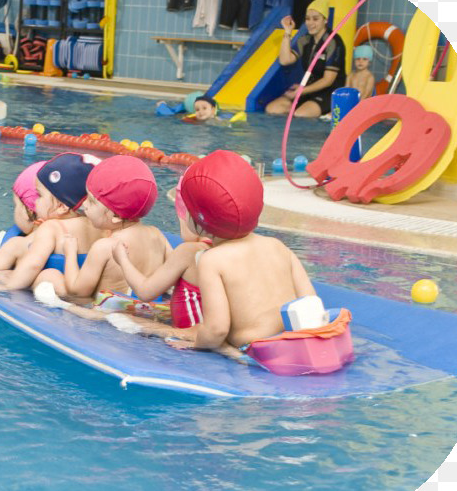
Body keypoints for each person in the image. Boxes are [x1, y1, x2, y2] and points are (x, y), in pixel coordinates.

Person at [163, 150, 317, 361]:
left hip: (257, 351)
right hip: (300, 343)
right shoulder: (278, 246)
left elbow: (217, 330)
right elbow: (311, 303)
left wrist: (196, 344)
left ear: (199, 220)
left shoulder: (212, 260)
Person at [37, 155, 170, 299]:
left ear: (116, 217)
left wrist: (70, 253)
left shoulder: (105, 247)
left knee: (49, 276)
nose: (85, 205)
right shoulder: (157, 235)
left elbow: (78, 291)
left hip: (104, 315)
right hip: (146, 310)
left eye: (92, 201)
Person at [111, 170, 211, 329]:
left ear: (190, 219)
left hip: (187, 336)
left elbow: (145, 292)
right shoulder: (223, 249)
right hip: (203, 328)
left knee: (114, 317)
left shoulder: (189, 251)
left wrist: (123, 260)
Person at [0, 152, 103, 291]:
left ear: (62, 207)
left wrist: (7, 287)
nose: (35, 202)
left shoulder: (51, 227)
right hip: (89, 289)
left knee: (46, 276)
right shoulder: (101, 226)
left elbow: (33, 265)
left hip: (61, 288)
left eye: (40, 196)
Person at [265, 0, 346, 118]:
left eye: (315, 19)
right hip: (308, 88)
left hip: (330, 91)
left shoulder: (333, 42)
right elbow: (284, 60)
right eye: (307, 19)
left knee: (300, 114)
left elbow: (328, 80)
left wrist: (301, 91)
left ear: (325, 20)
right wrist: (287, 32)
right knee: (272, 109)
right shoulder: (305, 40)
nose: (310, 23)